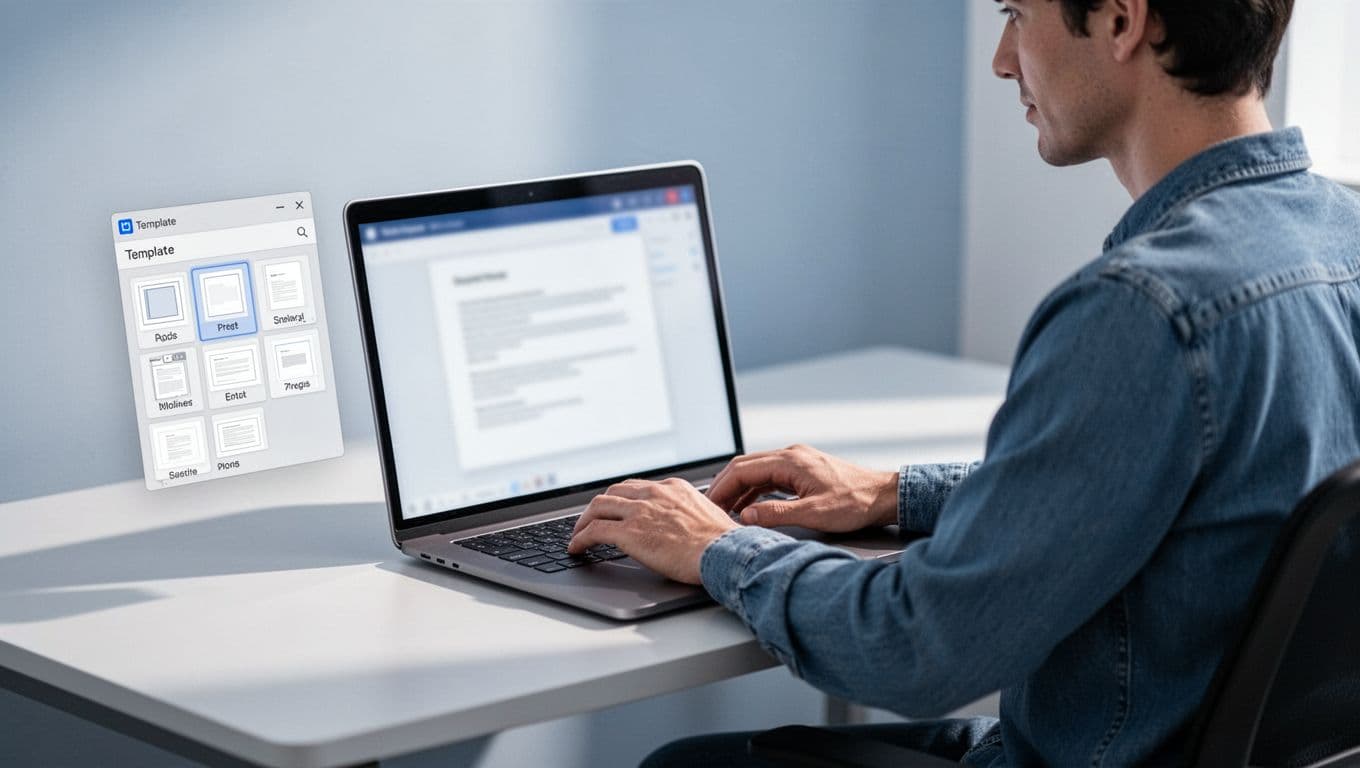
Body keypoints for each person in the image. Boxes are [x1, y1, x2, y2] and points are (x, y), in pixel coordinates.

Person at [567, 0, 1360, 763]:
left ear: (1122, 20)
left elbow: (916, 649)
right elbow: (1193, 495)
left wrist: (718, 547)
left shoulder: (1143, 311)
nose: (1001, 59)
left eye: (1016, 14)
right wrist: (893, 493)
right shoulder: (1343, 240)